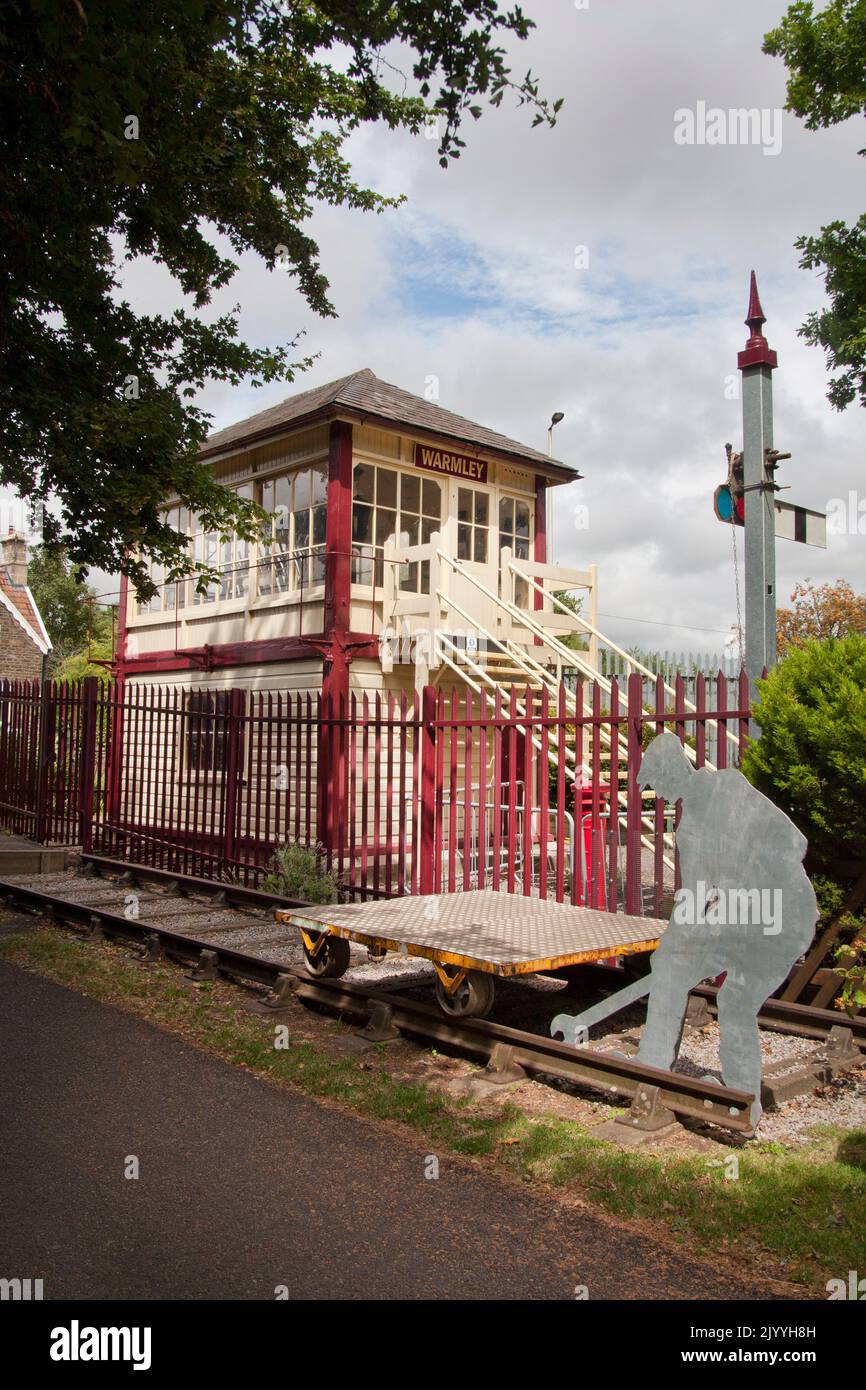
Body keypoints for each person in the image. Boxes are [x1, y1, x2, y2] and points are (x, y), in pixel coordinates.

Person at [635, 732, 817, 1127]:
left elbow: (793, 841)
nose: (658, 793)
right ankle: (650, 1073)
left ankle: (741, 1103)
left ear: (671, 770)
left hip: (780, 917)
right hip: (739, 919)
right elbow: (696, 901)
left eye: (656, 782)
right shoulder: (687, 827)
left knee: (735, 1001)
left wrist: (744, 881)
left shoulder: (729, 789)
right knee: (669, 969)